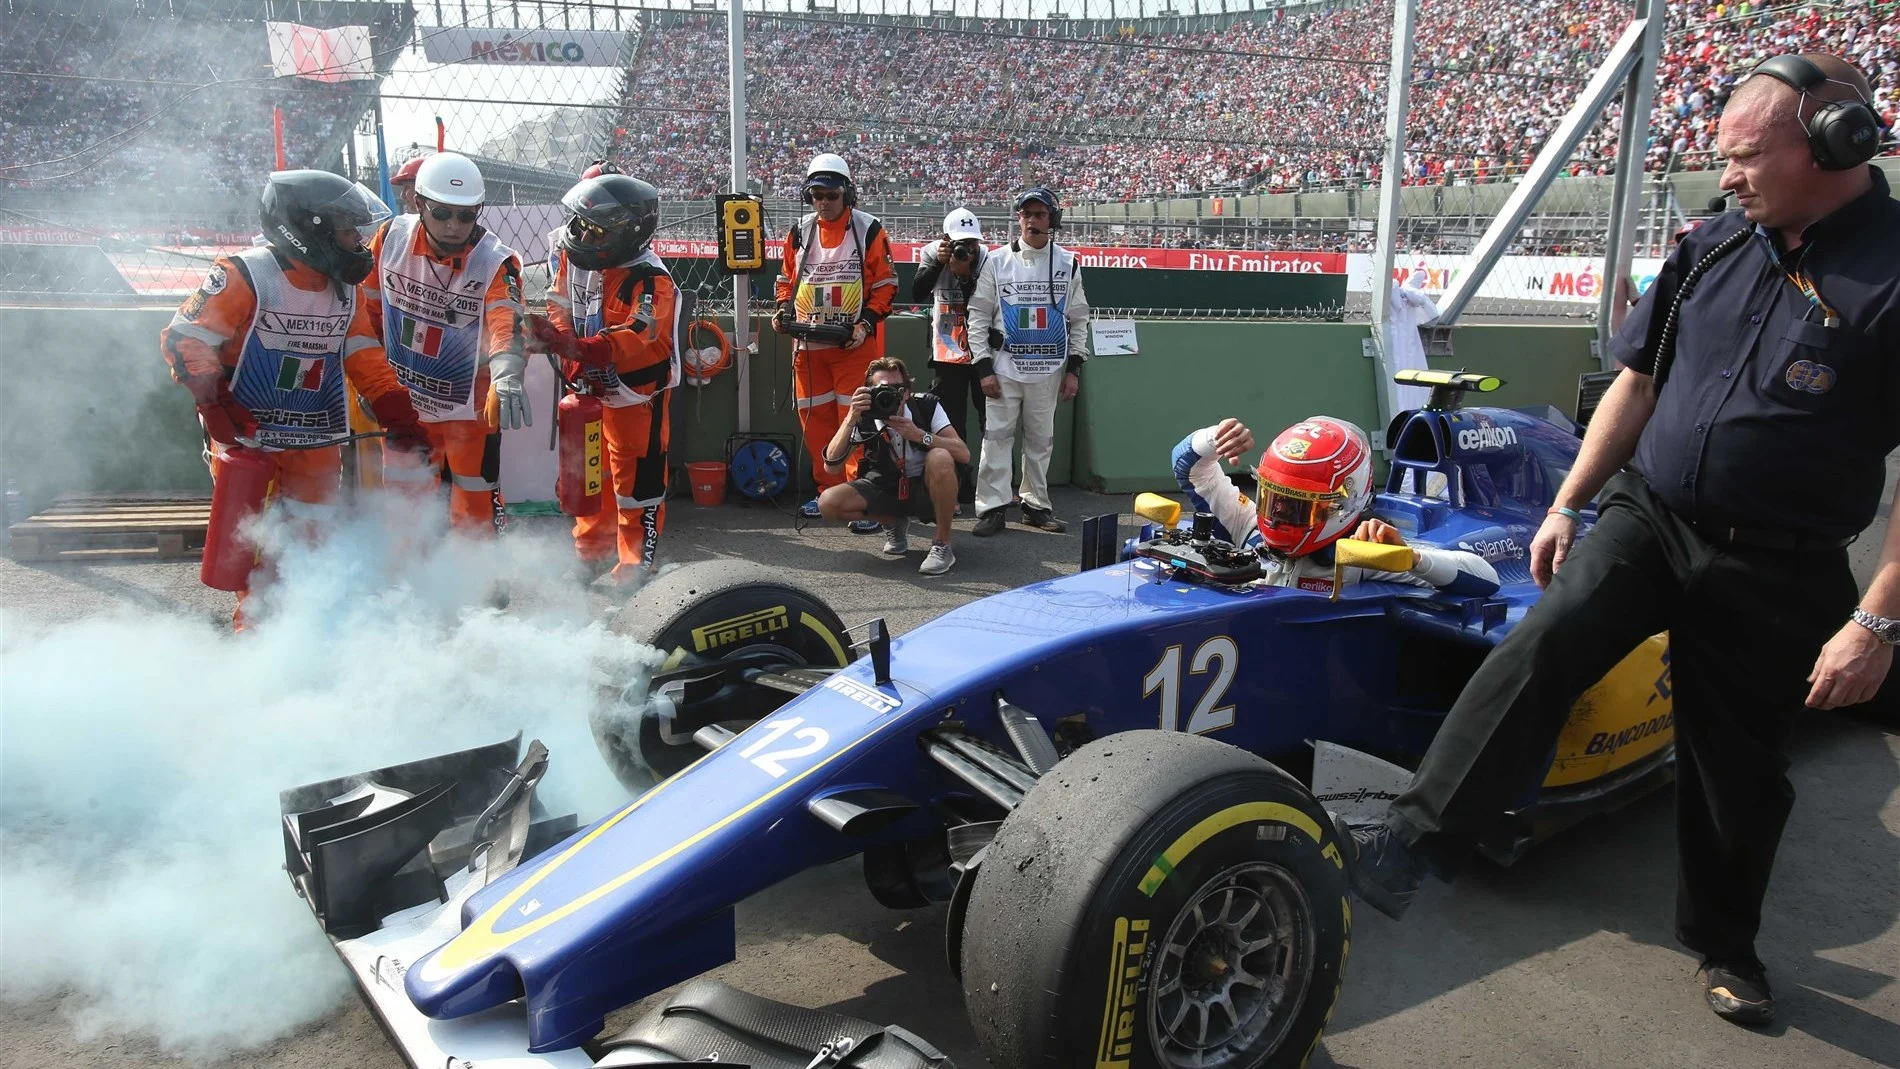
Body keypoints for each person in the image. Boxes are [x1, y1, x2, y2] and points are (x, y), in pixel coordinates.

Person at [1335, 53, 1900, 1028]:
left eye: (1744, 156)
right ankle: (1417, 841)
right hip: (1650, 515)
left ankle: (1727, 948)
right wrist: (1568, 502)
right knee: (1546, 641)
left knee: (1738, 771)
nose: (1724, 175)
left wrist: (1877, 619)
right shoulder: (1711, 245)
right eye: (1719, 156)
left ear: (1833, 140)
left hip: (1781, 564)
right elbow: (1635, 384)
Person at [158, 169, 426, 623]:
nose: (358, 244)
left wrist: (395, 408)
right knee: (259, 553)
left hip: (314, 439)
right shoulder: (245, 274)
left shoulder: (346, 291)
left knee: (312, 544)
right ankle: (259, 649)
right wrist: (215, 401)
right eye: (347, 233)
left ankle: (305, 639)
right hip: (249, 441)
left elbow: (363, 353)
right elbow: (186, 340)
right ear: (308, 229)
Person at [361, 151, 528, 538]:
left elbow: (507, 321)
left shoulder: (497, 262)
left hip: (470, 407)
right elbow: (366, 314)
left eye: (467, 216)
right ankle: (410, 582)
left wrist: (507, 373)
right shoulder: (388, 239)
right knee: (405, 500)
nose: (454, 226)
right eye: (442, 213)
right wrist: (370, 384)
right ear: (419, 203)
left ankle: (476, 586)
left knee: (475, 499)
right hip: (405, 401)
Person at [527, 173, 680, 587]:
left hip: (637, 396)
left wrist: (579, 348)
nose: (581, 235)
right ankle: (591, 554)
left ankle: (635, 564)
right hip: (589, 385)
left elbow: (640, 336)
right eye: (579, 224)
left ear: (627, 233)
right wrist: (565, 341)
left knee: (637, 484)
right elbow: (558, 301)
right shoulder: (573, 257)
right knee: (587, 473)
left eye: (594, 230)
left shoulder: (651, 279)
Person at [1173, 416, 1498, 595]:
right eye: (1274, 497)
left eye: (1297, 505)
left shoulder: (1364, 555)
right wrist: (1215, 438)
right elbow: (1189, 468)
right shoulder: (1249, 527)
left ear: (1342, 506)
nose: (1280, 513)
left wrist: (1408, 558)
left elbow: (1487, 579)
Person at [771, 153, 898, 520]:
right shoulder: (799, 231)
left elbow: (887, 286)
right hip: (808, 349)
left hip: (853, 347)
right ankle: (827, 492)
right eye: (816, 195)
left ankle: (863, 499)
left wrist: (865, 325)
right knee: (816, 424)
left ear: (848, 194)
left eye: (831, 194)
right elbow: (784, 281)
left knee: (859, 423)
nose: (824, 202)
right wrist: (782, 313)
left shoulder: (869, 229)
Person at [967, 187, 1089, 537]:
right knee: (996, 437)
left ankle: (1035, 505)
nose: (1032, 220)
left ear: (1053, 220)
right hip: (1003, 368)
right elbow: (977, 316)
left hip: (1049, 370)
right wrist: (983, 367)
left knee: (1041, 440)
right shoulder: (996, 259)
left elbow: (1080, 318)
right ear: (1018, 218)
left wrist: (1074, 369)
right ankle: (991, 507)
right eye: (1026, 214)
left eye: (1040, 214)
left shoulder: (1068, 262)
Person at [817, 357, 968, 576]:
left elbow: (962, 453)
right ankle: (892, 522)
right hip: (884, 486)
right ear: (869, 392)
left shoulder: (926, 406)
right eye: (881, 389)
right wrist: (851, 417)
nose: (889, 395)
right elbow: (831, 466)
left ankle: (942, 544)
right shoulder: (865, 416)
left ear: (907, 392)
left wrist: (920, 435)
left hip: (926, 491)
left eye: (897, 389)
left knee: (941, 457)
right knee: (828, 503)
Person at [910, 208, 990, 510]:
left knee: (990, 421)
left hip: (983, 352)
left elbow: (985, 303)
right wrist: (939, 265)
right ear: (945, 240)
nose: (965, 249)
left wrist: (965, 275)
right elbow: (917, 293)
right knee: (951, 424)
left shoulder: (986, 259)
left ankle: (993, 488)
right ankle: (956, 486)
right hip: (947, 352)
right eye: (959, 242)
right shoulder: (933, 253)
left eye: (970, 243)